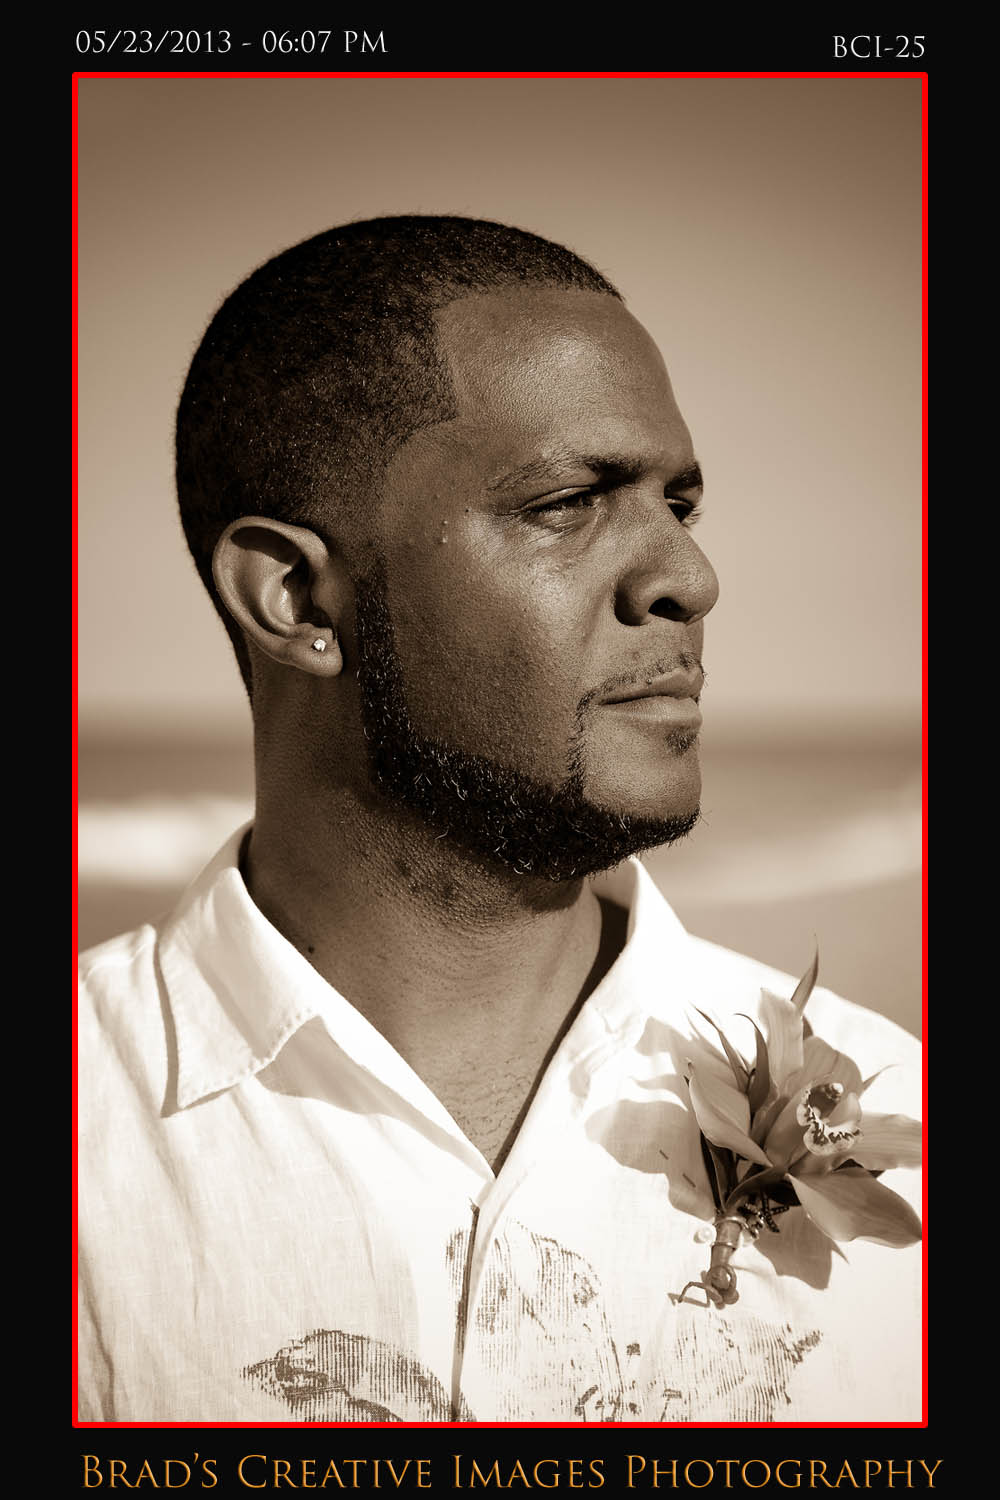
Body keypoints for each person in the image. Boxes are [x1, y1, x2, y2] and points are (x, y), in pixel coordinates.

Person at [78, 216, 921, 1423]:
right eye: (568, 502)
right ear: (298, 598)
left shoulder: (900, 1128)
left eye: (680, 504)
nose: (689, 578)